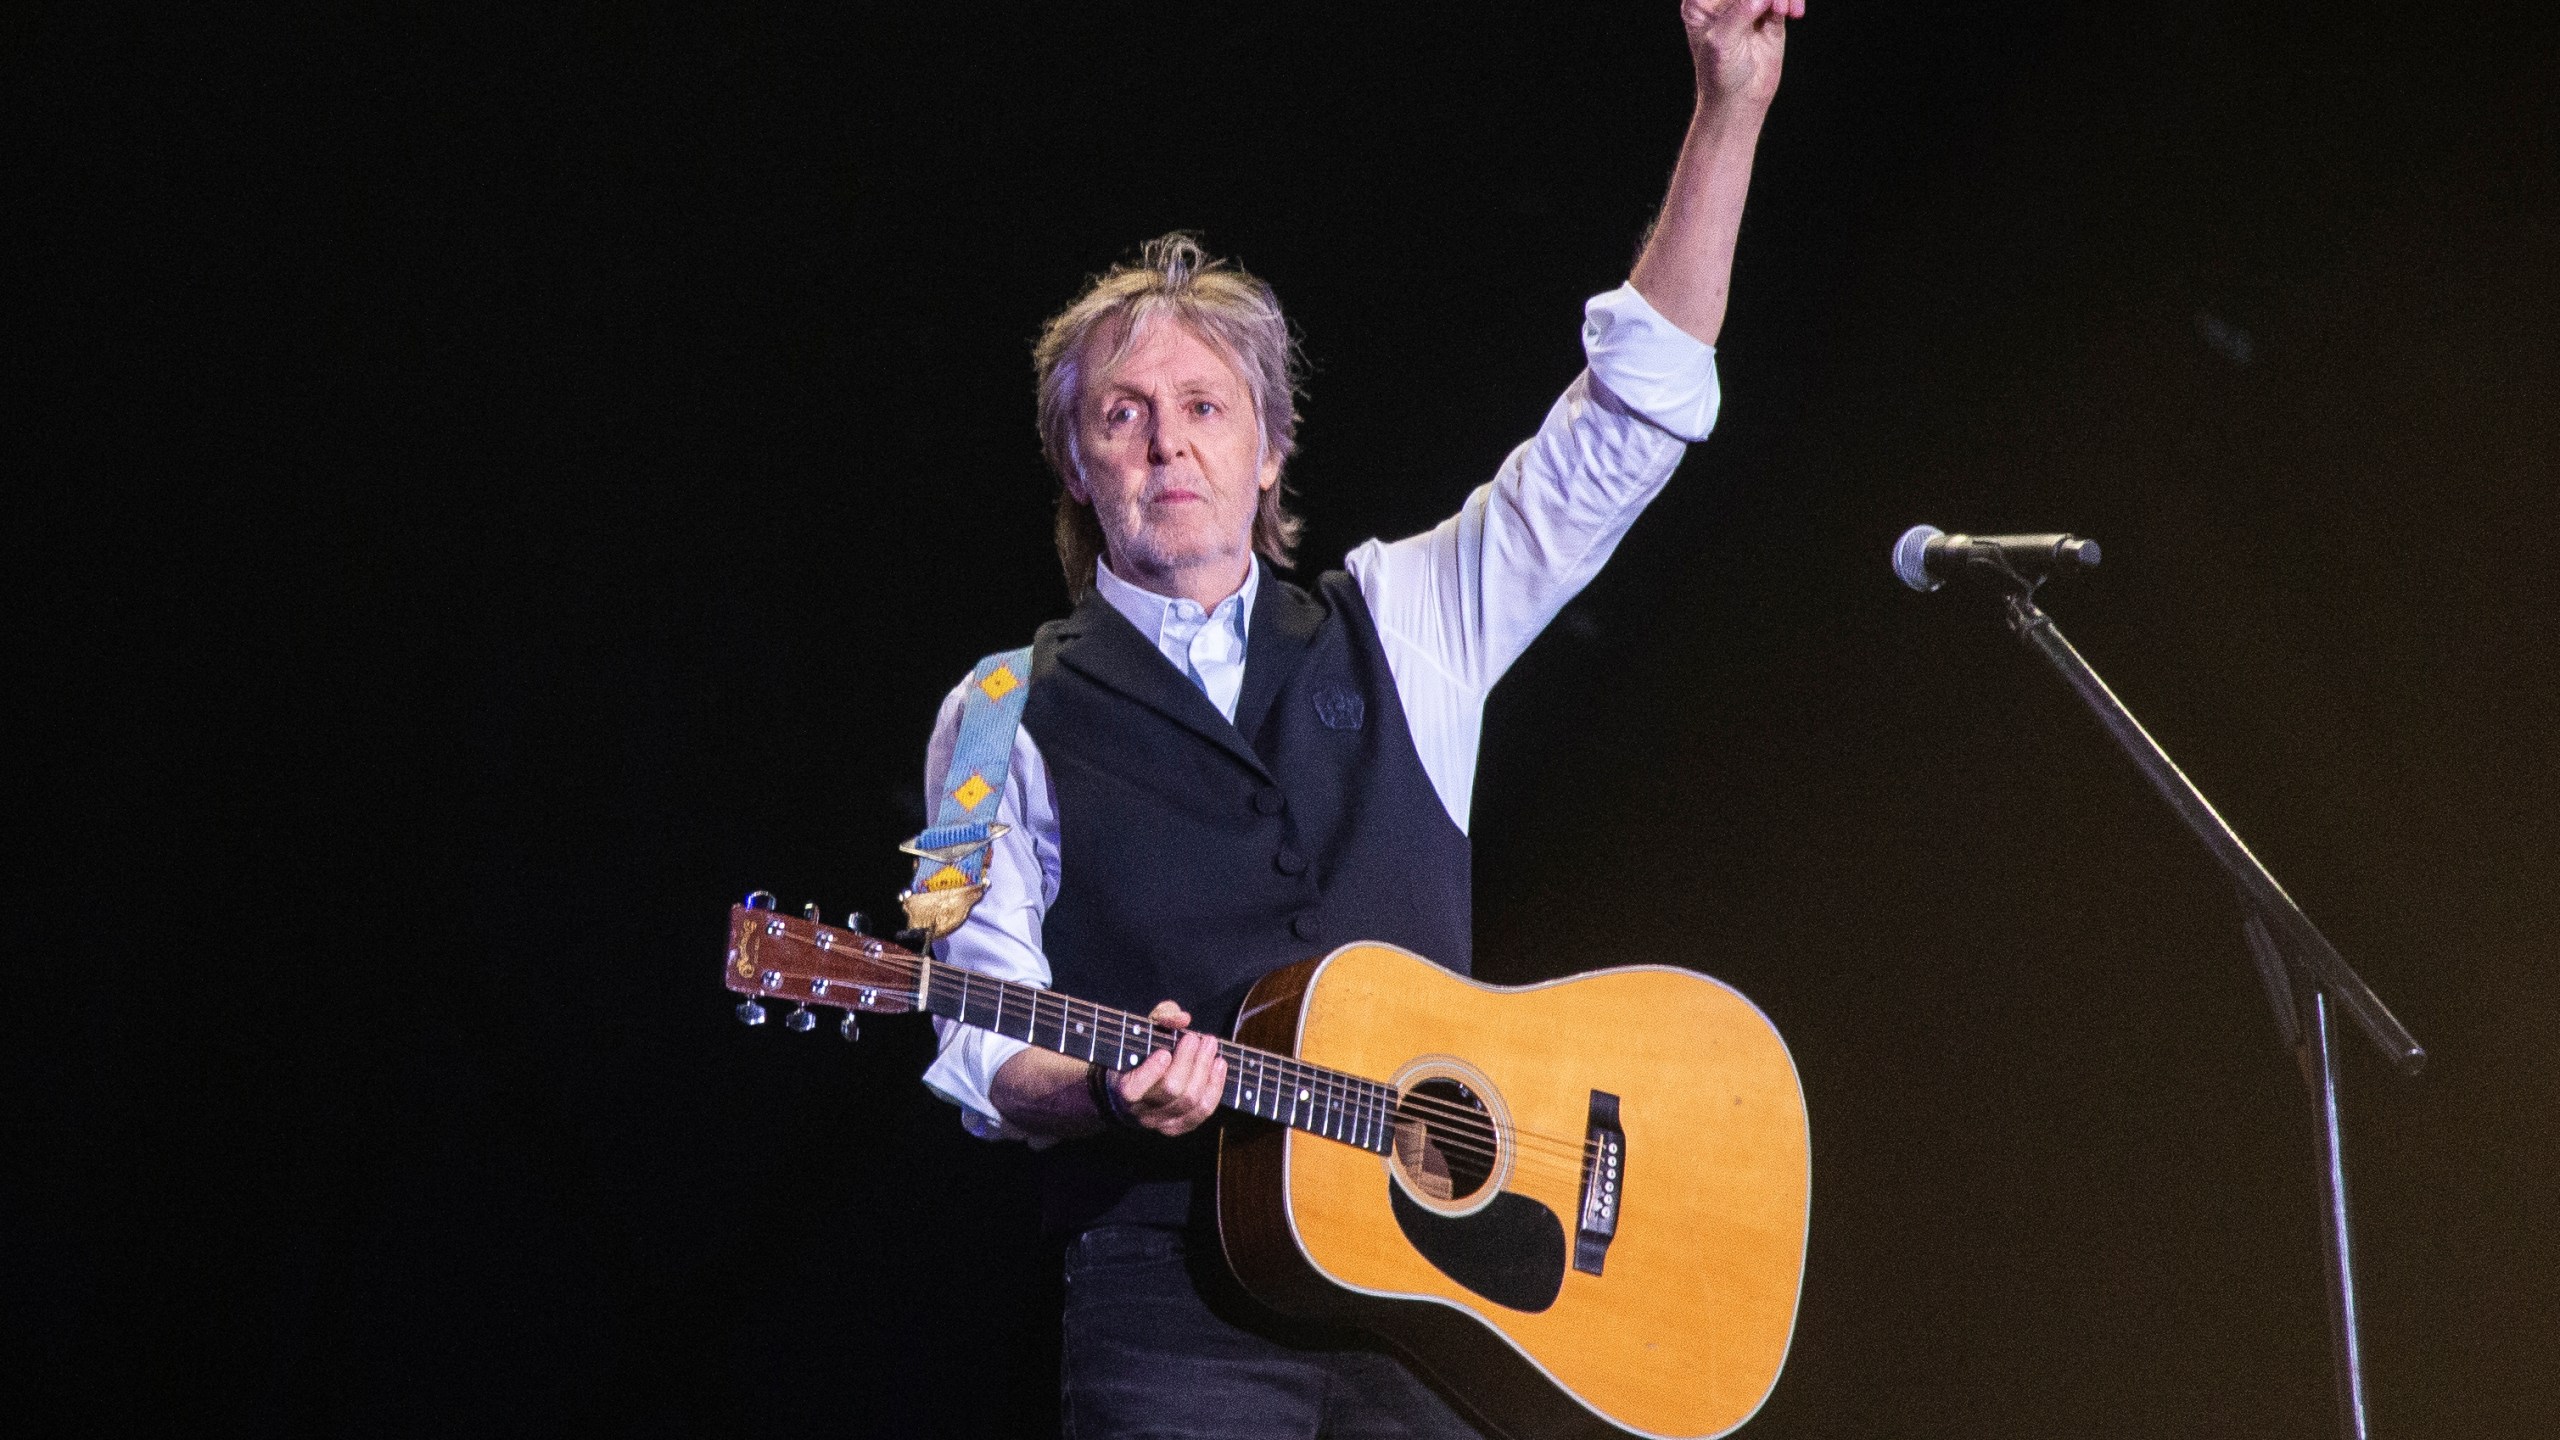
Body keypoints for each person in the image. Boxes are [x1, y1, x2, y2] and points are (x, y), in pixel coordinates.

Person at [917, 4, 1801, 1434]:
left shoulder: (1408, 619)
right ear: (1073, 466)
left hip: (1430, 1303)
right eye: (1122, 415)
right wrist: (1101, 1084)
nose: (1168, 444)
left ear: (1269, 450)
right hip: (1171, 1306)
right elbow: (976, 1033)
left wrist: (1730, 107)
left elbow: (1625, 426)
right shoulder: (995, 713)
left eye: (1205, 407)